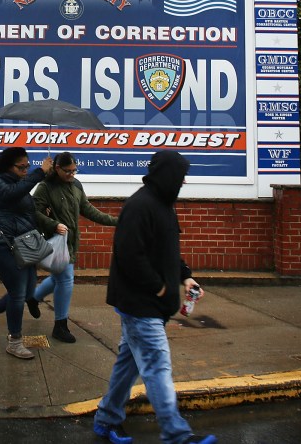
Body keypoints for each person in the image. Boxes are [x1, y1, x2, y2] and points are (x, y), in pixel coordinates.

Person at [93, 151, 217, 444]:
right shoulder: (140, 206)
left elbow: (168, 250)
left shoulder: (164, 205)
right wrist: (158, 287)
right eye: (181, 175)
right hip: (140, 305)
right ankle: (177, 434)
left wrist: (185, 276)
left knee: (128, 365)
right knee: (157, 366)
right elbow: (128, 255)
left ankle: (106, 419)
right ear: (168, 175)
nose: (184, 180)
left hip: (150, 305)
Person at [29, 151, 118, 343]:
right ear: (57, 168)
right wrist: (53, 224)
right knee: (66, 279)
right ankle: (60, 326)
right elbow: (33, 212)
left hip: (71, 242)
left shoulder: (76, 185)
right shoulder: (45, 186)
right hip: (54, 241)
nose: (72, 174)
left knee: (57, 278)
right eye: (68, 171)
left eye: (74, 170)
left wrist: (116, 221)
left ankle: (33, 298)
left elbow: (88, 209)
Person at [0, 146, 53, 359]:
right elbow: (13, 195)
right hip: (2, 244)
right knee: (18, 292)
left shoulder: (18, 183)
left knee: (29, 290)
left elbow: (24, 207)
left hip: (21, 243)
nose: (26, 170)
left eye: (28, 166)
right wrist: (40, 172)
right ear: (9, 166)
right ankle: (15, 341)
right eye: (22, 167)